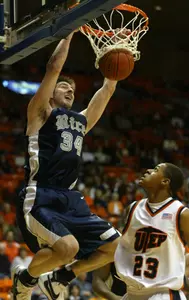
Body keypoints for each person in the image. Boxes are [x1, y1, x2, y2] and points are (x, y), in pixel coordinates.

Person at [12, 30, 121, 300]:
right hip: (40, 195)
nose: (70, 89)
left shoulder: (80, 123)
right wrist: (70, 31)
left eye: (72, 87)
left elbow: (106, 92)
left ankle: (61, 277)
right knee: (67, 247)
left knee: (116, 246)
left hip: (71, 199)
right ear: (50, 94)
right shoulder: (40, 112)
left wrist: (114, 66)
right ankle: (25, 280)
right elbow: (53, 67)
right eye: (64, 86)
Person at [114, 162, 189, 300]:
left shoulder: (181, 213)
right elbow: (120, 246)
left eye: (155, 170)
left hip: (164, 293)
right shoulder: (132, 209)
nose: (148, 170)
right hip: (131, 293)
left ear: (165, 181)